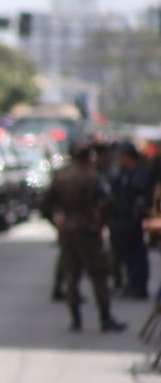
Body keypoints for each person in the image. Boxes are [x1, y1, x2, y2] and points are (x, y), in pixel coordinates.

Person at [41, 143, 126, 333]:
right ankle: (105, 317)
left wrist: (57, 222)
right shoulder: (93, 176)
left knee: (72, 275)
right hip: (87, 229)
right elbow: (107, 202)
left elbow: (46, 206)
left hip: (68, 231)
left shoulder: (61, 177)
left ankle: (75, 319)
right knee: (98, 274)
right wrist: (100, 223)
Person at [109, 141, 153, 299]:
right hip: (122, 219)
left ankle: (139, 286)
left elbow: (143, 197)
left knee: (137, 255)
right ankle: (131, 284)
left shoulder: (140, 173)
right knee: (126, 255)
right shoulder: (122, 173)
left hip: (134, 220)